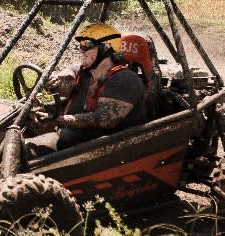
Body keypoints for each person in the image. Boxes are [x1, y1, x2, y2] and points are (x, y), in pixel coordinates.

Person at [35, 22, 147, 152]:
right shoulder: (85, 73)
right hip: (78, 140)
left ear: (106, 48)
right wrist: (56, 82)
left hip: (114, 151)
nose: (82, 50)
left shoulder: (125, 79)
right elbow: (68, 77)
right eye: (81, 45)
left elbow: (104, 119)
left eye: (87, 45)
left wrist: (61, 120)